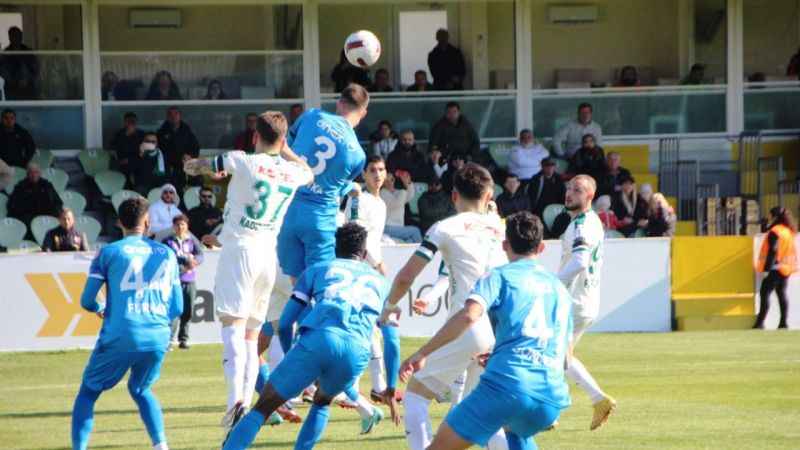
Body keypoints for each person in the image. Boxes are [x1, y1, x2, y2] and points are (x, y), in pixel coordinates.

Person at [183, 111, 313, 436]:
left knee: (232, 326)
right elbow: (309, 172)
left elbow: (200, 166)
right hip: (268, 256)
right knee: (252, 335)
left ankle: (234, 401)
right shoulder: (291, 171)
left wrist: (191, 165)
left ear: (255, 135)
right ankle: (243, 402)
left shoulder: (242, 160)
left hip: (240, 251)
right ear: (282, 140)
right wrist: (287, 149)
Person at [401, 211, 573, 450]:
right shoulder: (560, 289)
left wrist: (423, 353)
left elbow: (469, 315)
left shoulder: (498, 275)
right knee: (514, 434)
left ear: (505, 245)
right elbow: (566, 356)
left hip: (508, 386)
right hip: (551, 395)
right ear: (542, 247)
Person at [221, 223, 389, 450]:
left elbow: (285, 323)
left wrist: (291, 353)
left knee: (263, 406)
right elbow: (391, 337)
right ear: (365, 253)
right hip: (357, 350)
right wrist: (391, 384)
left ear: (335, 248)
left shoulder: (317, 269)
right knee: (322, 403)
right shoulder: (382, 282)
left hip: (319, 340)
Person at [380, 164, 508, 450]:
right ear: (489, 195)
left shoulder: (445, 227)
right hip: (498, 329)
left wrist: (389, 306)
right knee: (483, 416)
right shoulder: (500, 227)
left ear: (453, 196)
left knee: (416, 395)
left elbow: (406, 276)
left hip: (468, 325)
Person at [70, 197, 183, 450]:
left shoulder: (109, 252)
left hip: (122, 333)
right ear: (147, 221)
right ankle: (161, 446)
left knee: (88, 391)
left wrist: (100, 308)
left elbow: (87, 300)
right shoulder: (167, 253)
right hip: (157, 335)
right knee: (141, 389)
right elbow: (178, 307)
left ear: (119, 222)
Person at [277, 84, 369, 283]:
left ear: (339, 103)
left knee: (297, 283)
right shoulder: (358, 155)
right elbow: (339, 188)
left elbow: (285, 149)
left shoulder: (311, 116)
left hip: (288, 211)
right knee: (321, 284)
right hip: (319, 219)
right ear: (363, 112)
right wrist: (353, 188)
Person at [559, 175, 616, 430]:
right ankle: (595, 400)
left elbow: (580, 261)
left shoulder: (582, 224)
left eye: (577, 190)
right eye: (569, 188)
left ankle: (554, 409)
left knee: (551, 354)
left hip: (574, 301)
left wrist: (553, 285)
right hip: (586, 300)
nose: (570, 193)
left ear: (590, 196)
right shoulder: (589, 222)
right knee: (560, 356)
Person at [162, 214, 204, 349]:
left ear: (187, 226)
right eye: (177, 225)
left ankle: (183, 339)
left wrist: (195, 261)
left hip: (190, 279)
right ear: (173, 226)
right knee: (175, 310)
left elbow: (200, 254)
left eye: (182, 224)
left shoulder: (191, 240)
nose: (180, 227)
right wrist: (185, 261)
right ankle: (169, 340)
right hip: (174, 280)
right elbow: (169, 256)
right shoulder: (168, 241)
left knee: (188, 310)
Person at [754, 207, 797, 329]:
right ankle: (783, 323)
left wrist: (766, 269)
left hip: (774, 268)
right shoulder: (787, 231)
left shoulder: (775, 231)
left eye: (770, 216)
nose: (769, 218)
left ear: (775, 217)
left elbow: (773, 250)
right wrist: (764, 226)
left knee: (765, 294)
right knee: (781, 294)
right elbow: (769, 233)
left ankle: (760, 323)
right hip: (785, 269)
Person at [8, 162, 62, 229]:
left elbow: (58, 202)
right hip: (28, 220)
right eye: (31, 172)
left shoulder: (47, 185)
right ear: (27, 174)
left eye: (36, 172)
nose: (34, 175)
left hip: (47, 217)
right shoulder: (20, 186)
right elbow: (12, 205)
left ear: (40, 173)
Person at [157, 107, 200, 190]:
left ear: (180, 116)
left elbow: (195, 147)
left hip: (185, 164)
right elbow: (160, 151)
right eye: (170, 114)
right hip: (169, 166)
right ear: (167, 117)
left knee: (200, 172)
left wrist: (190, 155)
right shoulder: (161, 132)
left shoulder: (186, 131)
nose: (173, 116)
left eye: (176, 114)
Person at [381, 170, 421, 243]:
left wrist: (408, 183)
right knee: (415, 231)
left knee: (410, 241)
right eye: (386, 180)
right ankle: (423, 250)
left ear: (394, 180)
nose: (390, 182)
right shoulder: (382, 193)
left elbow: (410, 196)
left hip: (398, 227)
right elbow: (397, 203)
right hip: (387, 227)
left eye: (392, 180)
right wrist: (404, 187)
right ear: (383, 182)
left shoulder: (398, 192)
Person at [2, 27, 39, 100]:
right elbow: (3, 71)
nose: (16, 38)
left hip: (28, 88)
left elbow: (35, 67)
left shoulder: (28, 51)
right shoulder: (5, 53)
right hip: (12, 89)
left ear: (21, 37)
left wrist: (27, 79)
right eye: (14, 36)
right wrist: (14, 81)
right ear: (10, 37)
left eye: (18, 35)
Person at [110, 112, 145, 185]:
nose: (131, 123)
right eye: (128, 121)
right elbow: (112, 148)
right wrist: (117, 159)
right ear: (124, 122)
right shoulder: (119, 134)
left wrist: (130, 160)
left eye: (133, 121)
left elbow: (145, 153)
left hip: (137, 165)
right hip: (121, 165)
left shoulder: (142, 135)